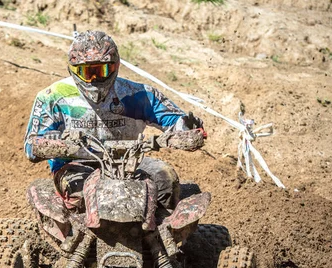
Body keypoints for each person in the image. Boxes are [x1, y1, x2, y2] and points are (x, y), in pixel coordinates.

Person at [24, 30, 206, 210]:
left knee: (166, 180)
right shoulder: (52, 97)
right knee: (80, 198)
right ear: (72, 70)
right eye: (87, 72)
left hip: (131, 162)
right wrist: (54, 143)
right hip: (76, 165)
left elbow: (174, 120)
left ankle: (163, 231)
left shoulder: (138, 94)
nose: (94, 79)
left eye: (102, 70)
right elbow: (31, 146)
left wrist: (186, 126)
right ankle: (75, 235)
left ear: (115, 66)